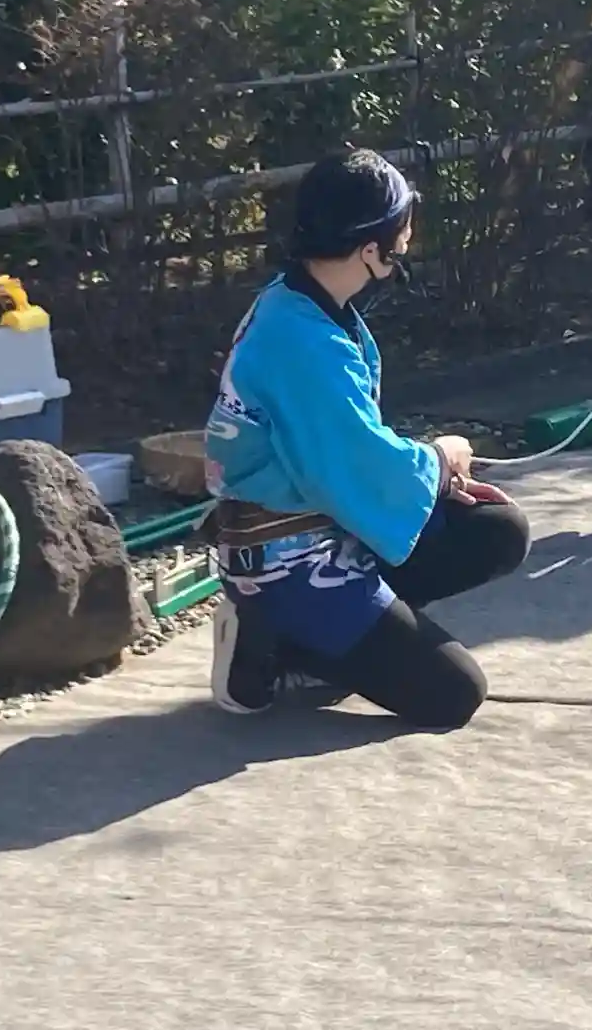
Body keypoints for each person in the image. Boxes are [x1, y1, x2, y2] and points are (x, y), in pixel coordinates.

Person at [202, 148, 531, 729]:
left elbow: (351, 452)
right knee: (453, 694)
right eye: (400, 233)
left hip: (323, 519)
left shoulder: (297, 302)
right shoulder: (303, 343)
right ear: (370, 251)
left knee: (495, 529)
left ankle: (341, 645)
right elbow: (357, 464)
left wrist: (435, 482)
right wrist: (440, 459)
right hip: (289, 559)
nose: (407, 243)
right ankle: (270, 637)